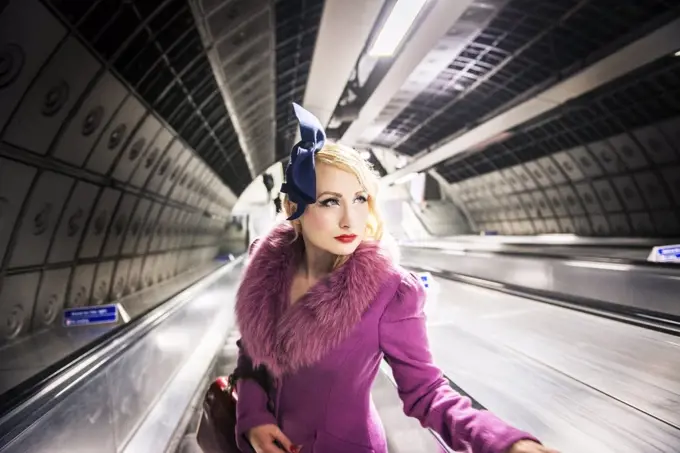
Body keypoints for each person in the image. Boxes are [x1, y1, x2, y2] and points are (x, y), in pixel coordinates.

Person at [232, 103, 558, 453]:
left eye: (359, 199)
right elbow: (252, 353)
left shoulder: (389, 292)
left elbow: (427, 391)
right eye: (329, 202)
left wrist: (505, 444)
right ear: (293, 208)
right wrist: (254, 418)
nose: (350, 220)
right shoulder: (268, 267)